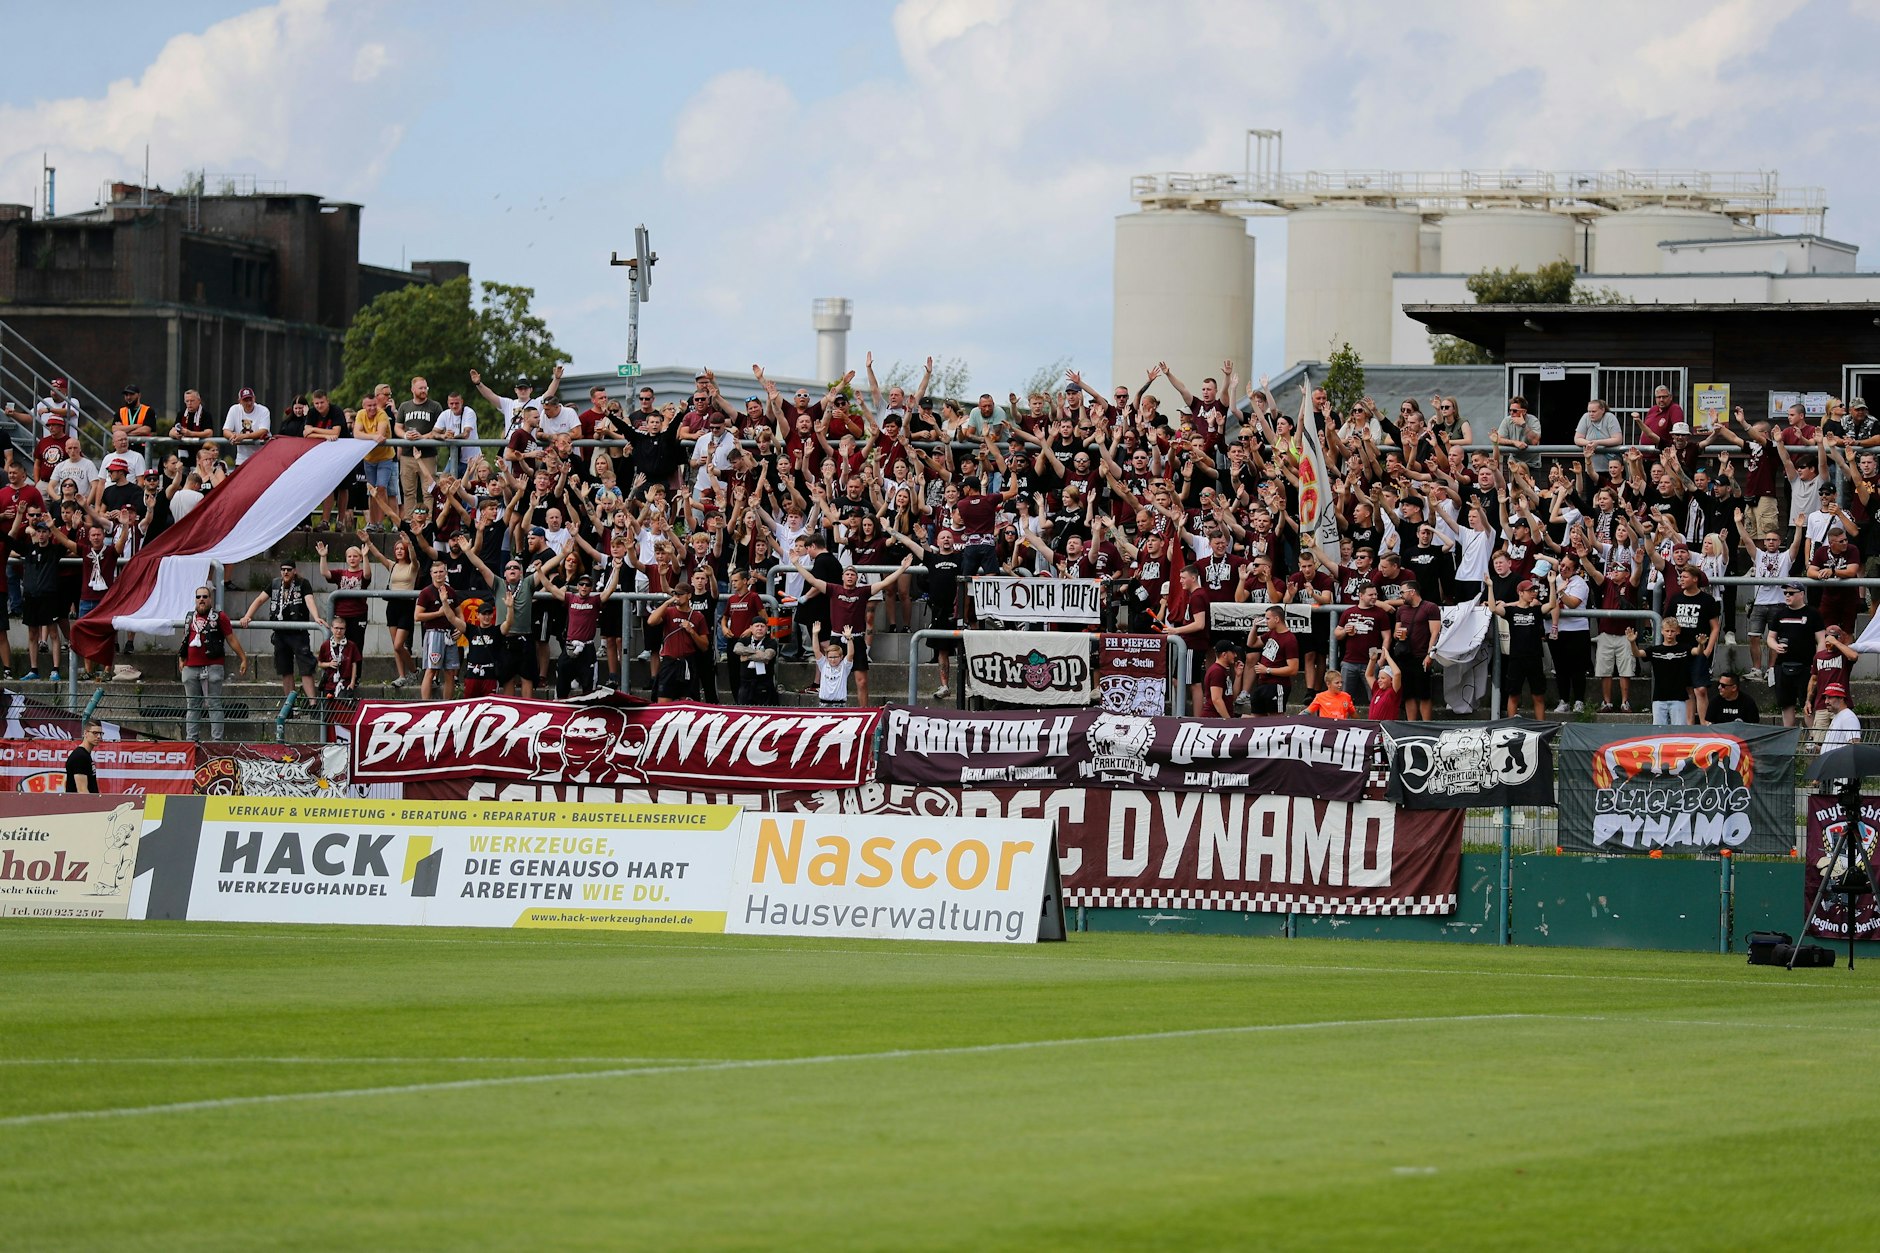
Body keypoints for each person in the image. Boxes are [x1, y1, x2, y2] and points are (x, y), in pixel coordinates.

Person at [240, 560, 325, 704]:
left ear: (295, 571)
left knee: (306, 668)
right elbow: (260, 599)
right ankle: (290, 705)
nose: (286, 572)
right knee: (285, 669)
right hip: (280, 633)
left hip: (298, 632)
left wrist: (316, 616)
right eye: (283, 569)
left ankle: (312, 703)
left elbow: (309, 600)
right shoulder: (275, 584)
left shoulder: (303, 583)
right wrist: (248, 616)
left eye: (289, 569)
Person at [179, 586, 248, 739]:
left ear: (210, 599)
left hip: (213, 666)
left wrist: (243, 657)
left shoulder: (220, 617)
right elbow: (185, 639)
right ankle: (191, 740)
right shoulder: (190, 617)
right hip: (190, 666)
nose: (201, 599)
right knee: (192, 705)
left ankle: (216, 741)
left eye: (204, 596)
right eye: (198, 597)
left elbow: (231, 638)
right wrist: (181, 658)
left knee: (214, 704)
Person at [1765, 583, 1826, 729]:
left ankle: (1813, 737)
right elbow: (1770, 637)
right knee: (1786, 704)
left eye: (1791, 593)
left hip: (1806, 666)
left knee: (1808, 703)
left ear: (1801, 594)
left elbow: (1821, 640)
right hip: (1783, 665)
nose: (1787, 596)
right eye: (1785, 593)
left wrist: (1817, 663)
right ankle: (1788, 738)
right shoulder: (1779, 614)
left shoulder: (1813, 613)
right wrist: (1775, 646)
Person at [1492, 578, 1549, 721]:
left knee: (1538, 695)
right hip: (1516, 659)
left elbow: (1552, 604)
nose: (1533, 593)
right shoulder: (1511, 611)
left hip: (1534, 658)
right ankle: (1510, 727)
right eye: (1529, 591)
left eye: (1534, 590)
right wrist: (1490, 587)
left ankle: (1540, 727)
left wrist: (1553, 584)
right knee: (1513, 695)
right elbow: (1493, 608)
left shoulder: (1536, 610)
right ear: (1520, 593)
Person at [414, 562, 463, 701]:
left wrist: (460, 627)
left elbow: (460, 613)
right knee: (431, 669)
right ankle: (425, 704)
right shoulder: (426, 592)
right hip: (433, 633)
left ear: (446, 573)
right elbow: (417, 616)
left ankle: (447, 704)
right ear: (431, 574)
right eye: (435, 572)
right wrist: (439, 613)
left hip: (450, 634)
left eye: (441, 571)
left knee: (450, 671)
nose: (438, 575)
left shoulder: (451, 591)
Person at [1632, 619, 1695, 726]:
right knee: (1658, 732)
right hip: (1659, 698)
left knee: (1679, 731)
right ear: (1662, 631)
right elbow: (1637, 653)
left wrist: (1702, 645)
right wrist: (1632, 642)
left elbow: (1696, 651)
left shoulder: (1684, 649)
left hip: (1679, 698)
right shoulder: (1655, 650)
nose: (1669, 634)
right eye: (1667, 631)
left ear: (1677, 631)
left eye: (1672, 631)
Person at [1246, 604, 1299, 715]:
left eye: (1268, 618)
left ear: (1277, 619)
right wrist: (1254, 627)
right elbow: (1251, 643)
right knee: (1256, 717)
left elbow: (1293, 669)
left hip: (1277, 685)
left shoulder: (1290, 639)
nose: (1266, 621)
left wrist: (1268, 670)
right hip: (1262, 683)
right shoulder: (1271, 633)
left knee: (1276, 719)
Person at [734, 618, 780, 705]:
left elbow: (767, 656)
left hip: (764, 683)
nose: (759, 628)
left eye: (762, 626)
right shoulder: (744, 640)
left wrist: (746, 656)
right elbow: (737, 649)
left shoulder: (771, 642)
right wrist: (756, 652)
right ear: (751, 628)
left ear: (766, 629)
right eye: (757, 626)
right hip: (745, 684)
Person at [223, 387, 271, 465]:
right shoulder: (234, 409)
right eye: (245, 400)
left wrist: (243, 436)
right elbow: (226, 430)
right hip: (242, 457)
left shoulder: (263, 410)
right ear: (240, 401)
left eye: (250, 399)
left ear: (254, 399)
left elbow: (263, 430)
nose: (249, 403)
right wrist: (232, 436)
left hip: (262, 455)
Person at [817, 628, 857, 707]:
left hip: (840, 704)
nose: (833, 659)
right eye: (830, 657)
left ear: (841, 657)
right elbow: (816, 650)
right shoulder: (824, 665)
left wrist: (849, 638)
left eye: (835, 657)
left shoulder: (844, 667)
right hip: (823, 704)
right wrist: (815, 634)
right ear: (827, 657)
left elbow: (850, 654)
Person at [1819, 682, 1862, 754]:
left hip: (1840, 763)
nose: (1826, 701)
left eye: (1830, 697)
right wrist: (1819, 749)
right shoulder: (1839, 716)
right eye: (1825, 698)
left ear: (1841, 698)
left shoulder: (1848, 717)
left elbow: (1855, 745)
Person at [64, 720, 103, 794]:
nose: (98, 736)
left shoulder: (85, 754)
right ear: (85, 733)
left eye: (100, 733)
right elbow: (82, 791)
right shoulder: (80, 757)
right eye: (95, 733)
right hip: (78, 804)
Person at [1365, 646, 1403, 721]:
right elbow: (1368, 675)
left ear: (1391, 680)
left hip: (1387, 727)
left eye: (1383, 678)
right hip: (1374, 727)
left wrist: (1387, 657)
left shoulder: (1393, 691)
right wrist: (1372, 660)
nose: (1379, 680)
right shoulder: (1377, 689)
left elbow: (1397, 673)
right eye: (1379, 678)